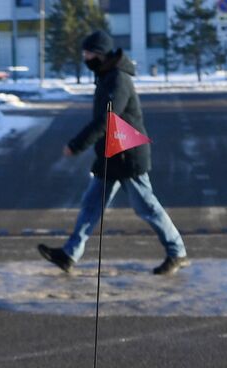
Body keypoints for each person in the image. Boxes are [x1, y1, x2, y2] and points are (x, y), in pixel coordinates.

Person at [38, 30, 188, 276]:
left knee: (147, 207)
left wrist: (76, 145)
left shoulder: (118, 80)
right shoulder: (106, 76)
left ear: (99, 54)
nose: (85, 58)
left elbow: (106, 120)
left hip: (128, 155)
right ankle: (69, 254)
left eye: (88, 53)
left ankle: (177, 251)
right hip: (111, 156)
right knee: (90, 206)